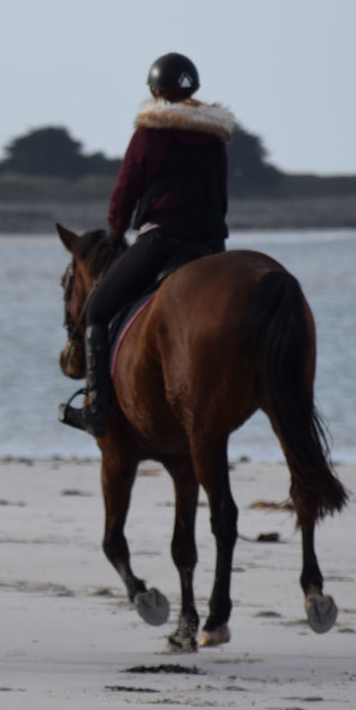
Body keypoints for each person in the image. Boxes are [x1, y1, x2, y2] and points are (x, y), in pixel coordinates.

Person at [71, 52, 236, 437]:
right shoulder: (215, 138)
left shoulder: (150, 133)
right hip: (211, 243)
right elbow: (221, 196)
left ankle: (96, 408)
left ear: (155, 91)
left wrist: (116, 231)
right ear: (192, 89)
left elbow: (126, 190)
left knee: (96, 312)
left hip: (162, 238)